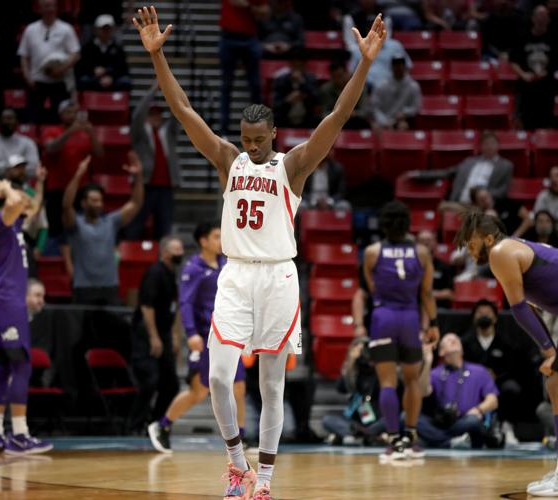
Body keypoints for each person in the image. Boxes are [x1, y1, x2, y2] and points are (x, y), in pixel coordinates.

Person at [134, 6, 386, 498]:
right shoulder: (228, 158)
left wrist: (365, 65)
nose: (249, 148)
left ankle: (265, 480)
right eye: (245, 140)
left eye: (257, 140)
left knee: (272, 387)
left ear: (272, 134)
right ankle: (236, 462)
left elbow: (337, 116)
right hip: (235, 274)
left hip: (277, 277)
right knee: (220, 376)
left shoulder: (292, 166)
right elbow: (185, 110)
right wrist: (157, 57)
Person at [454, 211, 558, 496]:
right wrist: (551, 350)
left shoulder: (500, 252)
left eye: (471, 243)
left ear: (489, 238)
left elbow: (519, 309)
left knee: (557, 382)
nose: (469, 251)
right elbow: (529, 309)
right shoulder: (513, 247)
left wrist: (548, 352)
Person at [148, 223, 248, 453]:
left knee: (239, 386)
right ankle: (162, 426)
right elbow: (185, 302)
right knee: (200, 391)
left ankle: (240, 438)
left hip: (229, 334)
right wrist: (191, 333)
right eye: (216, 236)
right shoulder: (193, 268)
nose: (221, 240)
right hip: (205, 336)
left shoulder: (225, 264)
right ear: (203, 241)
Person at [362, 201, 439, 462]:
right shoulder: (422, 253)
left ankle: (394, 441)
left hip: (383, 316)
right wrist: (434, 325)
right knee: (412, 379)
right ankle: (410, 437)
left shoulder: (372, 252)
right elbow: (427, 293)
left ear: (383, 225)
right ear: (408, 225)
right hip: (410, 318)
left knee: (387, 382)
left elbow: (372, 288)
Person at [0, 179, 51, 455]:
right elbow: (16, 203)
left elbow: (31, 205)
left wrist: (36, 186)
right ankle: (20, 434)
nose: (25, 199)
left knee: (4, 368)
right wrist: (5, 187)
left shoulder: (18, 227)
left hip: (7, 304)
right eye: (21, 196)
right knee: (22, 367)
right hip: (6, 304)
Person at [62, 155, 143, 305]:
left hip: (109, 286)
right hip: (83, 287)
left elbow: (136, 203)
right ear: (84, 204)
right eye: (93, 200)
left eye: (100, 200)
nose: (98, 204)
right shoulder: (76, 224)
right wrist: (78, 175)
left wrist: (138, 177)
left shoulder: (110, 221)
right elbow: (67, 205)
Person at [131, 235, 184, 433]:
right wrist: (153, 336)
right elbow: (147, 306)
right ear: (165, 252)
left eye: (181, 250)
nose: (180, 253)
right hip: (146, 334)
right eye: (176, 250)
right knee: (150, 381)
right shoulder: (155, 273)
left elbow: (174, 307)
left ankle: (155, 424)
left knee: (171, 385)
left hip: (164, 333)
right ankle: (135, 426)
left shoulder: (173, 274)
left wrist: (174, 336)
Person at [419, 333, 499, 449]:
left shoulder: (479, 371)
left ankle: (437, 441)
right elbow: (422, 392)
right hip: (440, 423)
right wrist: (427, 363)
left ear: (462, 350)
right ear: (441, 352)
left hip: (465, 421)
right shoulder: (435, 373)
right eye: (448, 340)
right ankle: (451, 442)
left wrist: (479, 409)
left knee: (473, 421)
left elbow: (493, 400)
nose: (453, 340)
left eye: (456, 339)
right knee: (407, 417)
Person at [126, 84, 180, 241]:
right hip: (145, 186)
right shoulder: (140, 134)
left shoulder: (167, 134)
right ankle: (130, 257)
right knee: (136, 224)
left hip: (166, 188)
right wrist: (153, 91)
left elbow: (179, 115)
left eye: (159, 115)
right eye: (152, 115)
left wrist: (171, 92)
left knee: (165, 226)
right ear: (147, 117)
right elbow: (137, 116)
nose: (156, 117)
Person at [43, 100, 104, 237]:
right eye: (68, 112)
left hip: (80, 189)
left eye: (75, 113)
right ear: (61, 114)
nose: (72, 116)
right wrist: (70, 131)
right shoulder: (52, 131)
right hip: (57, 189)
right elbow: (51, 147)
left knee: (79, 229)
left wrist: (92, 133)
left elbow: (99, 153)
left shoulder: (84, 134)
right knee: (56, 230)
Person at [461, 299, 522, 427]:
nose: (484, 316)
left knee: (512, 388)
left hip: (498, 381)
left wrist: (496, 376)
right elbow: (461, 366)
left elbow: (512, 368)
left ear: (495, 318)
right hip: (472, 382)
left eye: (488, 313)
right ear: (473, 318)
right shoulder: (465, 342)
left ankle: (507, 425)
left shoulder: (506, 343)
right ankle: (464, 425)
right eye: (480, 313)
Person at [18, 0, 80, 123]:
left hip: (59, 82)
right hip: (36, 82)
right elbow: (24, 56)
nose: (49, 9)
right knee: (34, 118)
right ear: (39, 9)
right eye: (46, 6)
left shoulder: (66, 29)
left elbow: (75, 54)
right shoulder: (30, 29)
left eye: (52, 6)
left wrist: (61, 69)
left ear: (56, 8)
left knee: (59, 120)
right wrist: (27, 76)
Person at [218, 0, 267, 135]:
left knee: (255, 84)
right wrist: (253, 7)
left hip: (250, 36)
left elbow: (265, 11)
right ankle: (224, 128)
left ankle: (259, 122)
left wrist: (249, 6)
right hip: (229, 36)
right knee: (226, 85)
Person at [510, 5, 558, 130]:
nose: (541, 19)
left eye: (544, 16)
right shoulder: (522, 37)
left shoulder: (554, 39)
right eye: (539, 16)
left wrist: (546, 72)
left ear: (548, 19)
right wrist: (523, 74)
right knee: (527, 125)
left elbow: (557, 63)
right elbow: (513, 61)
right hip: (526, 89)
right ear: (533, 18)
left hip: (547, 89)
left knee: (545, 125)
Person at [448, 132, 514, 205]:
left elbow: (503, 190)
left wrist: (486, 195)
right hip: (458, 203)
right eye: (486, 144)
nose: (489, 146)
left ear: (498, 145)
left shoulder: (506, 165)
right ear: (481, 146)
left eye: (492, 143)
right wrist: (432, 174)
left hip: (482, 206)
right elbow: (448, 172)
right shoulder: (469, 161)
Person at [0, 109, 41, 177]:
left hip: (22, 186)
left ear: (17, 122)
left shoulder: (28, 143)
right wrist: (15, 167)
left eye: (11, 119)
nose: (9, 122)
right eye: (6, 119)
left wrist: (4, 168)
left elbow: (33, 168)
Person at [77, 14, 131, 91]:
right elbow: (81, 67)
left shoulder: (117, 49)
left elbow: (123, 69)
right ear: (96, 29)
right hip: (93, 78)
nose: (105, 31)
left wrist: (110, 76)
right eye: (103, 28)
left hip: (112, 79)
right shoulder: (88, 48)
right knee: (84, 80)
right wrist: (93, 71)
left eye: (108, 29)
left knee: (125, 81)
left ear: (113, 30)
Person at [272, 47, 319, 129]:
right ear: (290, 64)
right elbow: (275, 105)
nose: (297, 68)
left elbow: (316, 100)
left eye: (300, 65)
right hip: (285, 118)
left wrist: (303, 83)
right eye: (295, 65)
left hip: (307, 119)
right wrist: (288, 100)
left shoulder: (311, 79)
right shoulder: (281, 80)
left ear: (304, 65)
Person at [370, 56, 422, 131]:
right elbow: (375, 107)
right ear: (391, 67)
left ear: (405, 67)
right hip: (383, 120)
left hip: (402, 120)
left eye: (401, 64)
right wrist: (383, 121)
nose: (398, 67)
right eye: (396, 65)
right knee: (376, 127)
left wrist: (405, 112)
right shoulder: (381, 85)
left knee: (403, 126)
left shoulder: (413, 86)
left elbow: (416, 107)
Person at [318, 61, 370, 129]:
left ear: (347, 73)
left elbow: (365, 111)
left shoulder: (360, 87)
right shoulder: (325, 90)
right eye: (334, 77)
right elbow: (323, 113)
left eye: (340, 76)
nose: (338, 80)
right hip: (333, 122)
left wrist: (351, 114)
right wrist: (337, 114)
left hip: (355, 120)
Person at [416, 230, 454, 308]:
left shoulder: (444, 267)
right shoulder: (410, 265)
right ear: (416, 244)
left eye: (429, 240)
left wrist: (427, 294)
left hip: (439, 308)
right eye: (422, 240)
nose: (426, 243)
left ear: (435, 243)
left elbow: (450, 293)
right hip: (416, 307)